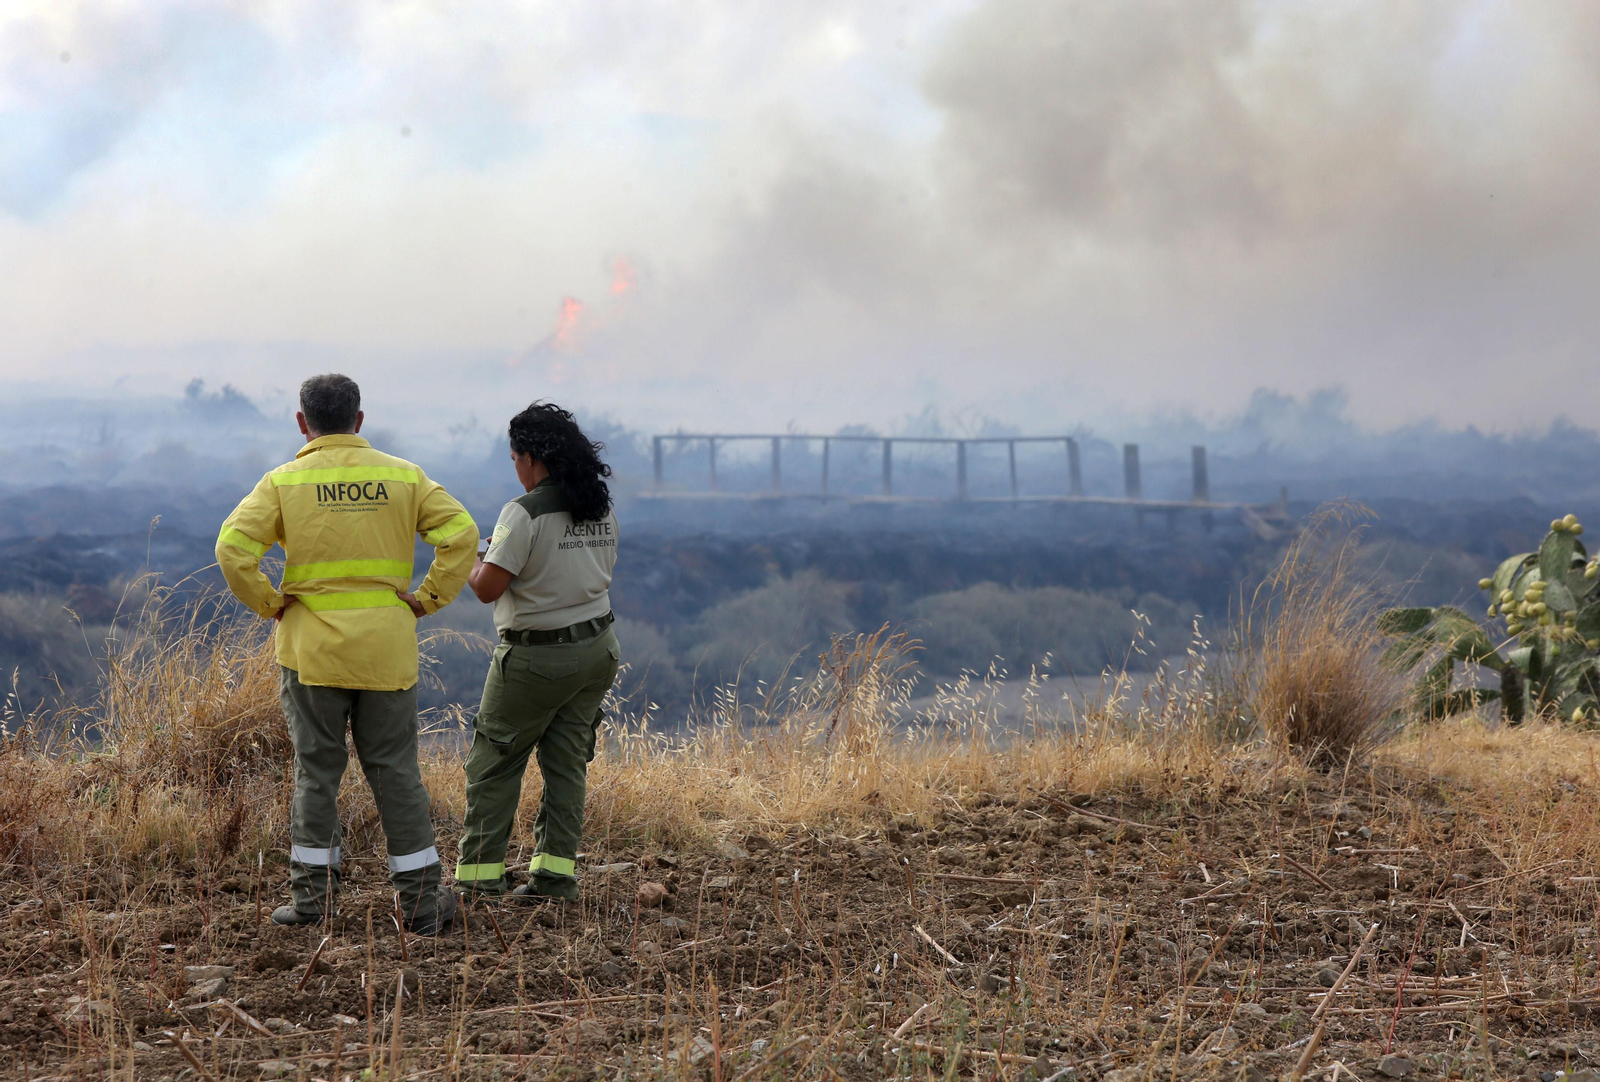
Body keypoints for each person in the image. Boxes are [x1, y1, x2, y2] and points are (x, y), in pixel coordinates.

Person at [215, 374, 478, 934]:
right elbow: (462, 533)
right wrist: (427, 599)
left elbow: (232, 548)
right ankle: (424, 906)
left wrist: (271, 602)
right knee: (397, 774)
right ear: (360, 420)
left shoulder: (283, 481)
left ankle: (312, 904)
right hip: (386, 651)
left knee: (317, 772)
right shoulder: (402, 475)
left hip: (312, 653)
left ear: (302, 423)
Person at [454, 402, 621, 903]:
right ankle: (554, 879)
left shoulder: (521, 513)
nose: (516, 469)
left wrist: (474, 556)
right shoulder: (599, 506)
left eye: (514, 459)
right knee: (567, 764)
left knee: (495, 763)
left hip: (536, 659)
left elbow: (487, 588)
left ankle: (480, 880)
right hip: (597, 649)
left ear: (529, 457)